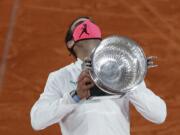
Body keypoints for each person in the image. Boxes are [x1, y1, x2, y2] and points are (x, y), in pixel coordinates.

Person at [30, 16, 167, 135]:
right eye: (79, 24)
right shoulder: (60, 77)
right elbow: (37, 120)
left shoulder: (123, 70)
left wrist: (129, 82)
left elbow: (159, 115)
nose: (87, 25)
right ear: (70, 43)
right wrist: (75, 96)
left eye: (90, 23)